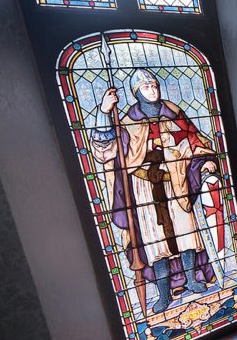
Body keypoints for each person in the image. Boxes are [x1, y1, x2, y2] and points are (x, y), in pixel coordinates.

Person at [91, 68, 221, 315]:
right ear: (137, 92)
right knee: (153, 242)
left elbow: (194, 139)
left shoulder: (172, 113)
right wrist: (104, 112)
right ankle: (164, 293)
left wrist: (205, 159)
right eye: (146, 87)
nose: (153, 90)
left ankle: (192, 279)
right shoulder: (127, 120)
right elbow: (106, 152)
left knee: (187, 233)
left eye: (154, 85)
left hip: (176, 181)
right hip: (144, 189)